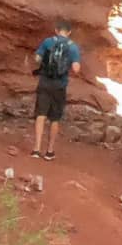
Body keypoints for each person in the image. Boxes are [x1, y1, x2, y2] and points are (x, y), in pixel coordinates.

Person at [29, 19, 84, 161]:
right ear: (69, 32)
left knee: (40, 115)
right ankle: (50, 151)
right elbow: (76, 69)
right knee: (55, 118)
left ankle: (36, 149)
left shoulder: (48, 42)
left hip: (45, 83)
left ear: (56, 30)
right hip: (60, 85)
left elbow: (37, 58)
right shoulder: (73, 47)